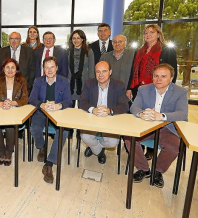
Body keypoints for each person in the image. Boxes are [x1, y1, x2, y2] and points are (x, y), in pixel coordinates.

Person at [125, 64, 187, 188]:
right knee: (128, 139)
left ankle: (157, 171)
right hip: (146, 126)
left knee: (173, 148)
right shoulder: (144, 89)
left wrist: (161, 116)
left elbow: (182, 113)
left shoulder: (180, 92)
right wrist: (141, 113)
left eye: (163, 76)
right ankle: (144, 169)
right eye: (156, 76)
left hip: (167, 127)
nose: (159, 79)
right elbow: (134, 106)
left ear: (171, 78)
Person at [126, 24, 177, 160]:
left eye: (151, 32)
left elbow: (172, 72)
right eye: (146, 32)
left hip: (157, 89)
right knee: (141, 116)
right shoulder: (140, 51)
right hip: (140, 89)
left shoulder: (166, 50)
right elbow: (134, 70)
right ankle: (139, 146)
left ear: (158, 34)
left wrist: (169, 90)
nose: (148, 35)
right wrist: (130, 87)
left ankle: (151, 150)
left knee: (154, 116)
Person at [29, 56, 72, 184]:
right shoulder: (38, 81)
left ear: (57, 68)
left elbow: (68, 101)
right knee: (34, 128)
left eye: (52, 67)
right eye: (46, 67)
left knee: (63, 131)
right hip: (42, 111)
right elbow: (32, 99)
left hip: (58, 112)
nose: (49, 70)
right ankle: (41, 147)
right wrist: (42, 105)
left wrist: (58, 105)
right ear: (43, 69)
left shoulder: (64, 81)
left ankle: (49, 163)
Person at [78, 61, 129, 164]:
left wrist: (109, 110)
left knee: (113, 142)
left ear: (110, 72)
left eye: (104, 71)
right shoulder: (89, 83)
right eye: (98, 72)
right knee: (84, 136)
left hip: (110, 120)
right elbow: (82, 102)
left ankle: (94, 148)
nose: (101, 75)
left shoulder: (119, 85)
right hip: (92, 119)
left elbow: (124, 106)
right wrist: (93, 109)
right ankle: (99, 152)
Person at [0, 58, 29, 166]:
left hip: (15, 111)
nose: (10, 70)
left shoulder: (22, 81)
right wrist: (0, 103)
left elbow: (25, 99)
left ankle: (9, 151)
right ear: (3, 69)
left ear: (16, 70)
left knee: (11, 125)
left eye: (13, 67)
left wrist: (14, 102)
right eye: (7, 67)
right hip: (0, 111)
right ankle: (1, 151)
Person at [68, 29, 95, 106]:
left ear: (82, 39)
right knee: (69, 109)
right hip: (71, 84)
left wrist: (91, 84)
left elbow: (91, 69)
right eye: (74, 38)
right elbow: (67, 68)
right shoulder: (68, 51)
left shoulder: (88, 51)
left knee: (83, 108)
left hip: (84, 83)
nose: (76, 40)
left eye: (78, 38)